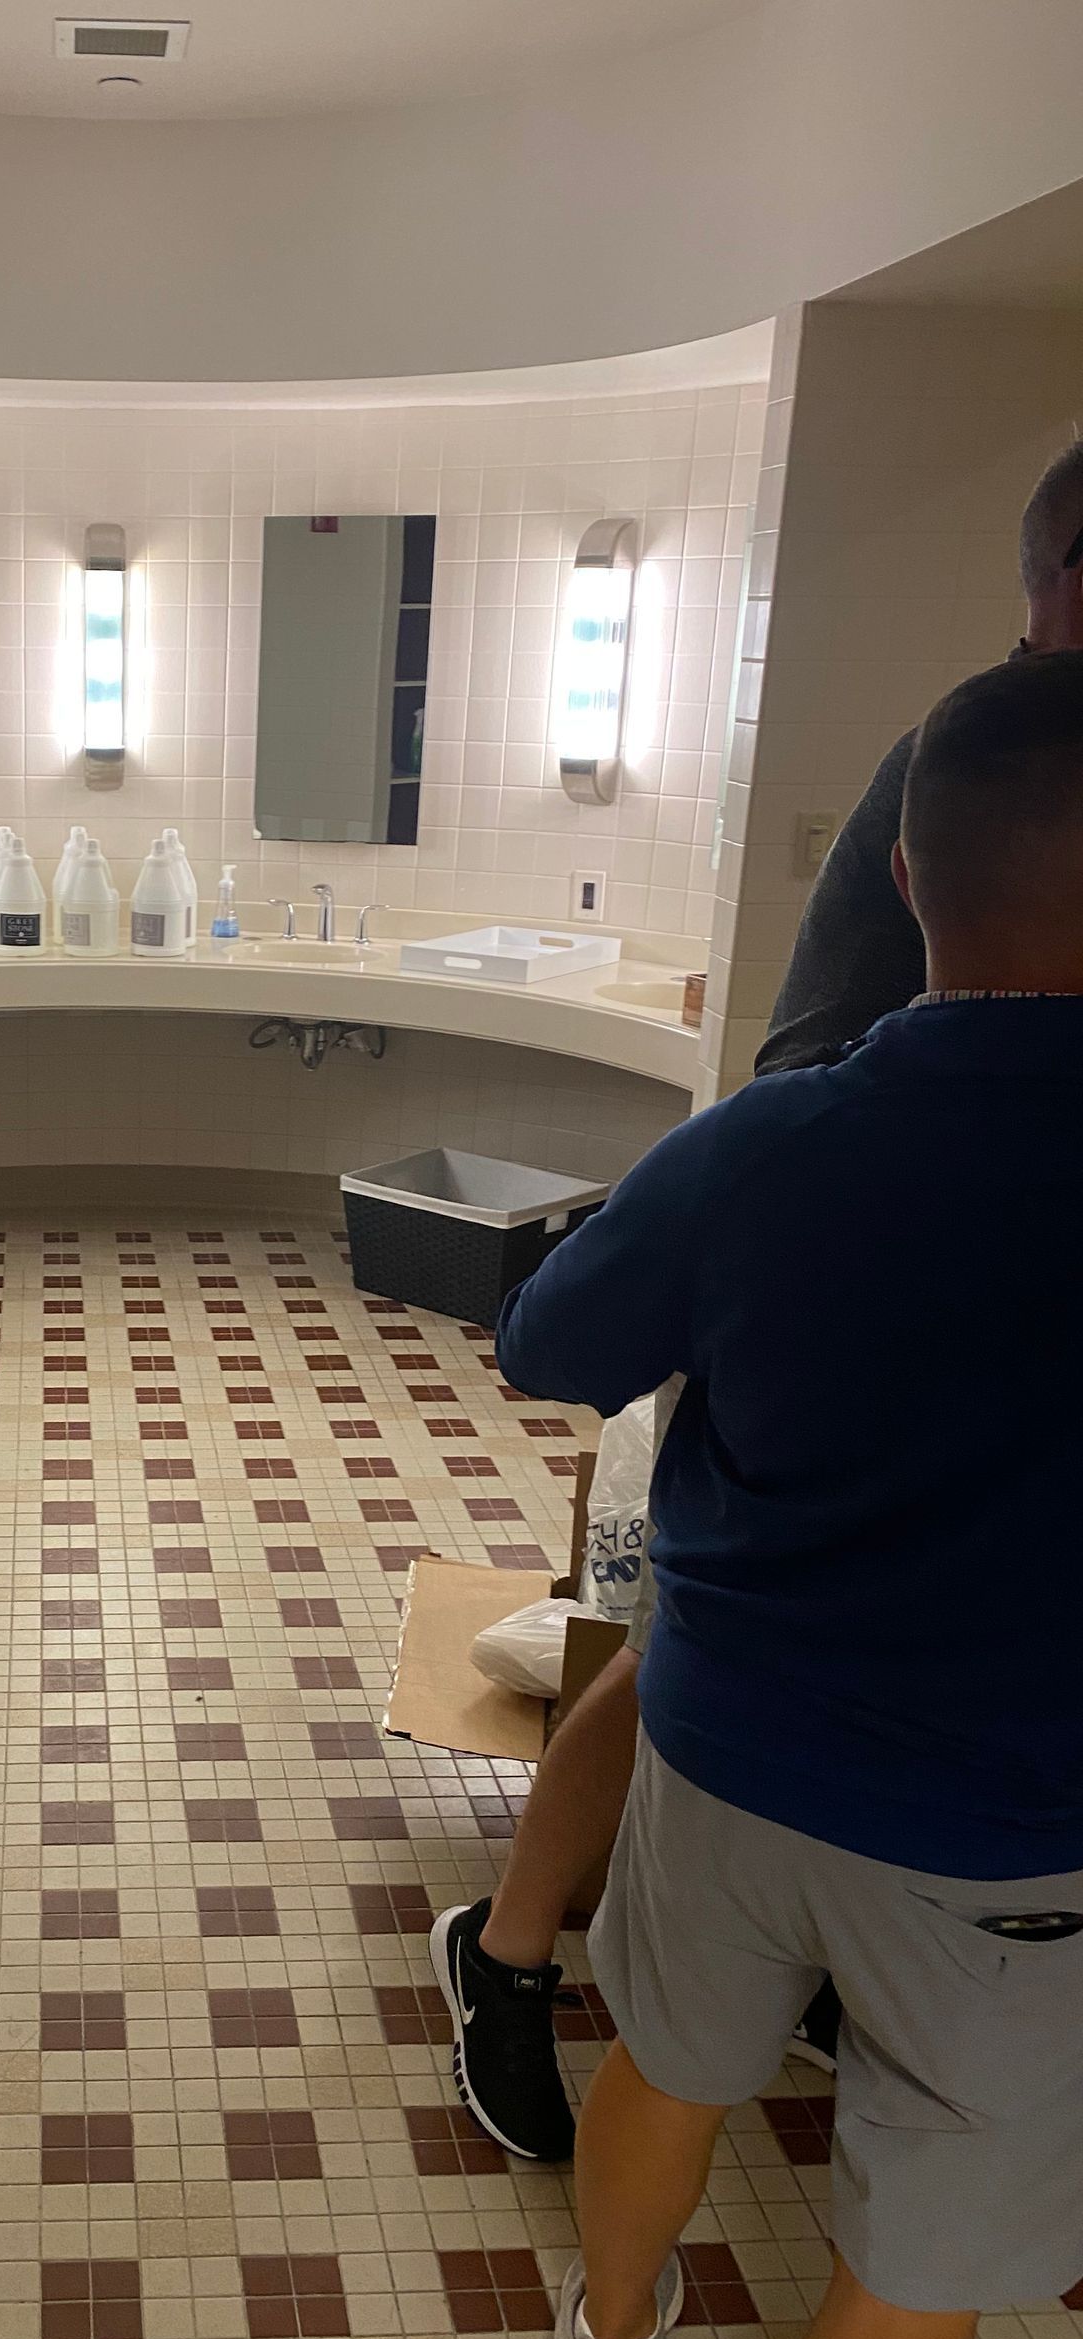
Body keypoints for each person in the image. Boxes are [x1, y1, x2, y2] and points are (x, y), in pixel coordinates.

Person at [490, 651, 1083, 2339]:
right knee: (926, 2255)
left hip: (732, 1752)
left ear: (905, 884)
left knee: (667, 2064)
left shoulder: (777, 1143)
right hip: (1022, 1831)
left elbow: (554, 1340)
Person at [431, 431, 1083, 2161]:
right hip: (858, 1278)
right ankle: (515, 1953)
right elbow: (821, 1064)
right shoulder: (955, 765)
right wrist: (792, 1230)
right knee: (704, 1644)